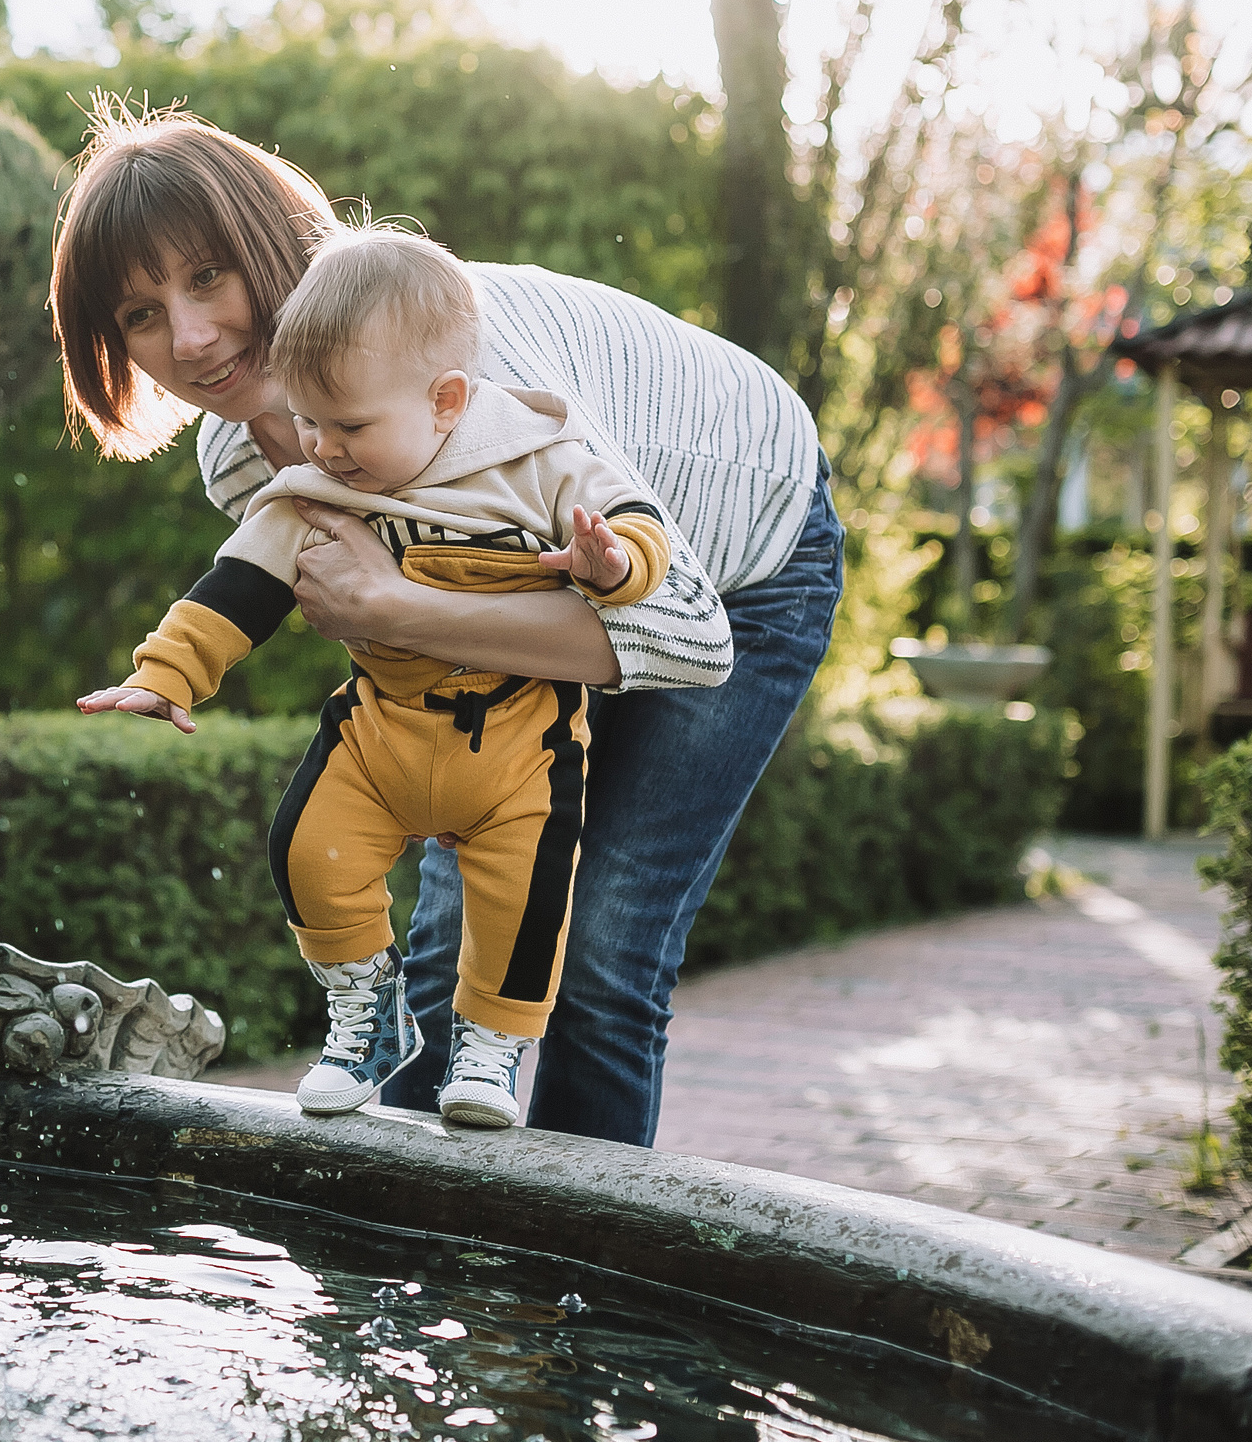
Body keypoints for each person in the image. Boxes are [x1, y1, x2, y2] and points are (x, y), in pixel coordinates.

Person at [48, 107, 843, 1147]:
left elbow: (686, 635)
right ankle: (420, 1285)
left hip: (738, 561)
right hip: (550, 612)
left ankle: (574, 1286)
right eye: (140, 314)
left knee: (603, 951)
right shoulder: (242, 462)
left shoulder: (461, 367)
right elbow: (422, 673)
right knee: (455, 934)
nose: (188, 339)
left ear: (269, 245)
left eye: (206, 278)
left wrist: (393, 606)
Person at [78, 227, 685, 1129]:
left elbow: (640, 536)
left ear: (445, 401)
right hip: (383, 730)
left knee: (527, 906)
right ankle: (365, 1019)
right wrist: (168, 672)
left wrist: (610, 565)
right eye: (309, 421)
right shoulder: (317, 483)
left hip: (520, 744)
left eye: (349, 427)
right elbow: (241, 582)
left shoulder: (539, 457)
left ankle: (490, 1047)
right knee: (306, 848)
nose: (321, 448)